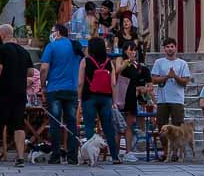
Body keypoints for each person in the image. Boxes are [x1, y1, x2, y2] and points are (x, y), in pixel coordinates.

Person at [0, 24, 34, 167]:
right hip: (20, 92)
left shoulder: (1, 49)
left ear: (2, 35)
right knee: (18, 124)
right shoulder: (24, 52)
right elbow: (30, 72)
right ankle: (19, 157)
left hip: (4, 92)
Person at [39, 23, 84, 164]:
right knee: (71, 123)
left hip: (55, 89)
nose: (51, 34)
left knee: (55, 123)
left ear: (57, 33)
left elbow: (44, 68)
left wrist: (42, 86)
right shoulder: (76, 47)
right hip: (71, 89)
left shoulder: (51, 47)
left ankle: (56, 155)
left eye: (52, 31)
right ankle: (72, 156)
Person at [78, 35, 122, 164]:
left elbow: (80, 82)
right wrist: (114, 101)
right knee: (108, 128)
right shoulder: (110, 63)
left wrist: (79, 99)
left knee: (89, 127)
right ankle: (115, 156)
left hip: (89, 97)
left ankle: (91, 157)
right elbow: (113, 84)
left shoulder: (85, 61)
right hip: (106, 98)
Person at [116, 41, 150, 162]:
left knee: (129, 125)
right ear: (125, 51)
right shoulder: (121, 59)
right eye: (130, 50)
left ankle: (128, 152)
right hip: (121, 94)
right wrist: (128, 62)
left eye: (135, 50)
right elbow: (117, 70)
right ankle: (115, 152)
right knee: (118, 126)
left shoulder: (138, 65)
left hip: (131, 96)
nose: (133, 52)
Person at [150, 37, 192, 132]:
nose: (170, 49)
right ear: (164, 49)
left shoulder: (183, 64)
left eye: (172, 46)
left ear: (176, 48)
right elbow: (154, 79)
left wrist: (175, 77)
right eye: (167, 47)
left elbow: (185, 81)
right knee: (161, 126)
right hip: (162, 100)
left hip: (177, 100)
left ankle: (177, 147)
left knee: (178, 126)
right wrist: (167, 77)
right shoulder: (158, 62)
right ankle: (165, 147)